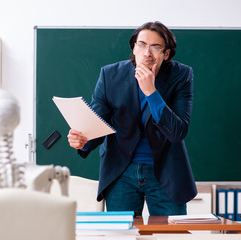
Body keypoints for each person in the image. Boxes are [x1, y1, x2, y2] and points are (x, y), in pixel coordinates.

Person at [67, 21, 197, 216]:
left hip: (165, 172)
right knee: (121, 235)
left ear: (166, 54)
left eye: (155, 47)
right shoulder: (110, 75)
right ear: (134, 48)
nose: (147, 53)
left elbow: (178, 132)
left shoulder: (181, 75)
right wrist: (82, 141)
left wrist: (151, 92)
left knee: (171, 236)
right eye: (142, 45)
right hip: (121, 172)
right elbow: (97, 123)